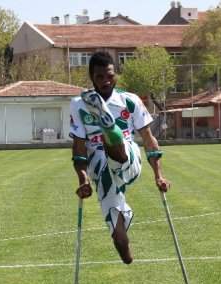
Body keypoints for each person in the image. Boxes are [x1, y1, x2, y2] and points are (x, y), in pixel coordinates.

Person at [69, 51, 170, 264]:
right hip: (100, 168)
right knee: (121, 243)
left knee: (115, 145)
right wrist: (84, 180)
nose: (106, 81)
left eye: (110, 76)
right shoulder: (78, 104)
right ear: (91, 77)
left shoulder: (130, 100)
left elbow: (148, 139)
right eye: (100, 77)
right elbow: (78, 146)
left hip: (129, 158)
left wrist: (158, 175)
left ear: (115, 74)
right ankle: (123, 225)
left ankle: (110, 129)